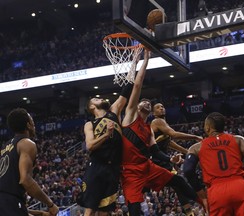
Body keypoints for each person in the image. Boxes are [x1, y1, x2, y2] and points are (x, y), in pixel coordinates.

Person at [120, 49, 206, 216]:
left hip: (147, 167)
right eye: (142, 101)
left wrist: (170, 158)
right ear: (137, 107)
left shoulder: (149, 129)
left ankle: (204, 204)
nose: (145, 102)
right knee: (135, 209)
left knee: (178, 180)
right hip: (130, 173)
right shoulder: (130, 116)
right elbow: (137, 85)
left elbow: (156, 152)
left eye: (147, 102)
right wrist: (143, 61)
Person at [183, 112, 244, 216]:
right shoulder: (238, 139)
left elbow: (188, 170)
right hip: (240, 187)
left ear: (207, 128)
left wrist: (202, 196)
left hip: (216, 191)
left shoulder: (196, 147)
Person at [78, 62, 135, 216]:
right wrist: (105, 134)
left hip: (113, 168)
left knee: (107, 211)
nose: (100, 98)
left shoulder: (114, 111)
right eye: (96, 99)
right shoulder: (89, 124)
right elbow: (90, 146)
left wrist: (135, 62)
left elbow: (127, 89)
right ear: (91, 107)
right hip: (97, 166)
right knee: (90, 209)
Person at [0, 108, 59, 216]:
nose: (34, 124)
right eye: (32, 121)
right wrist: (50, 204)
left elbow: (10, 205)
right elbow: (25, 180)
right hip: (9, 202)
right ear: (28, 124)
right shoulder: (26, 143)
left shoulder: (4, 148)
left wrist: (41, 213)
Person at [151, 102, 203, 214]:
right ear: (153, 113)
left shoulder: (163, 123)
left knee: (178, 186)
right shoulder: (157, 121)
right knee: (180, 183)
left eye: (162, 106)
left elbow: (169, 142)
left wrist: (187, 151)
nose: (161, 108)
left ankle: (190, 212)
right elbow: (174, 134)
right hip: (156, 160)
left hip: (163, 161)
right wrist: (194, 137)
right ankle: (201, 203)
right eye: (158, 107)